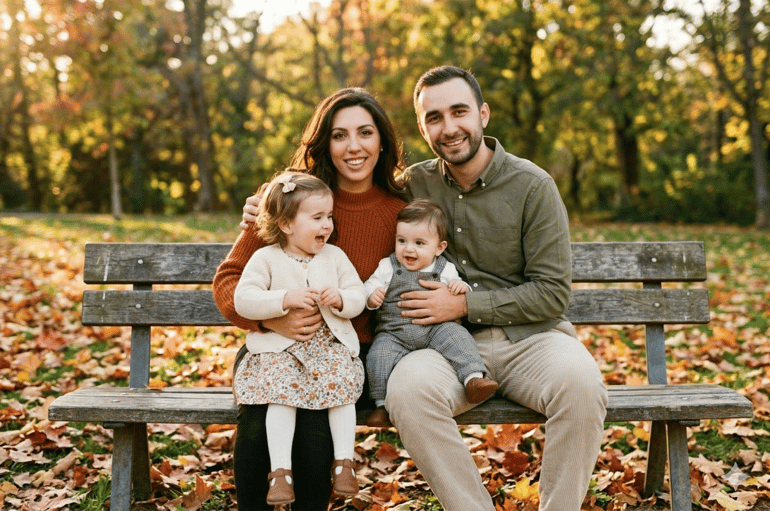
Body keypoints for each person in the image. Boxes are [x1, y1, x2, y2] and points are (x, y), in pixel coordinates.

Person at [238, 65, 608, 511]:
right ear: (421, 127)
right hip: (434, 345)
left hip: (530, 338)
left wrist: (465, 305)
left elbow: (552, 293)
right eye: (435, 117)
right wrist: (267, 205)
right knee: (407, 392)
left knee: (583, 385)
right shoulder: (412, 184)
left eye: (459, 112)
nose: (449, 128)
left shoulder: (533, 186)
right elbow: (322, 197)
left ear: (483, 114)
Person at [213, 87, 406, 510]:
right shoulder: (288, 199)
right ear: (324, 143)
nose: (353, 146)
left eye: (365, 133)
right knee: (257, 427)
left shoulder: (401, 211)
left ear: (383, 141)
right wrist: (271, 320)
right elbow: (229, 281)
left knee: (315, 435)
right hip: (273, 347)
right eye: (339, 135)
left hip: (345, 352)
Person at [232, 171, 367, 506]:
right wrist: (282, 301)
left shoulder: (334, 257)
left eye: (329, 217)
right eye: (317, 218)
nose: (327, 225)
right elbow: (242, 298)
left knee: (342, 385)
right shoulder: (266, 257)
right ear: (288, 224)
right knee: (281, 392)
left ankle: (344, 462)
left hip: (327, 350)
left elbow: (358, 295)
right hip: (281, 351)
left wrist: (340, 299)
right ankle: (280, 472)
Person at [363, 198, 497, 427]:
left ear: (439, 247)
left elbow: (457, 286)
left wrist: (459, 287)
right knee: (379, 354)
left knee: (457, 336)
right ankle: (381, 405)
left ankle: (473, 379)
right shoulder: (389, 266)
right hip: (395, 332)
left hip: (435, 329)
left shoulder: (444, 268)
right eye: (401, 240)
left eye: (419, 243)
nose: (408, 249)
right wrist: (372, 296)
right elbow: (370, 285)